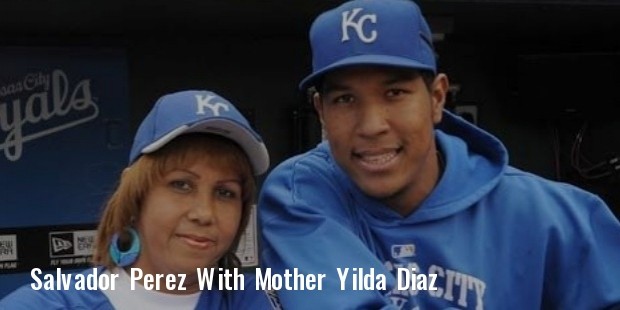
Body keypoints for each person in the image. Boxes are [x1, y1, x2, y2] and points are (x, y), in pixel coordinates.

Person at [257, 0, 620, 309]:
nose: (371, 125)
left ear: (436, 98)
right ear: (321, 111)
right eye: (345, 99)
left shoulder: (555, 216)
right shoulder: (300, 194)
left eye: (394, 93)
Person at [1, 90, 274, 309]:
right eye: (181, 185)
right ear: (136, 197)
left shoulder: (256, 301)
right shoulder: (42, 304)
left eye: (225, 192)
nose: (204, 213)